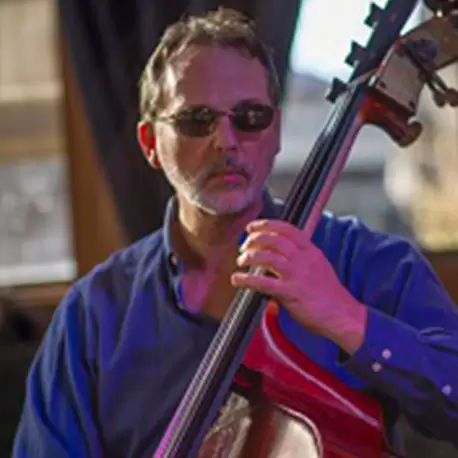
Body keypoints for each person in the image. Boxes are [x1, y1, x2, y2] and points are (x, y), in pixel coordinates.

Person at [12, 7, 458, 458]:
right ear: (150, 144)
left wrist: (346, 317)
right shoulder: (94, 313)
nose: (226, 141)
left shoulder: (371, 265)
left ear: (276, 131)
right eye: (195, 120)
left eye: (250, 116)